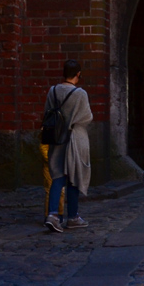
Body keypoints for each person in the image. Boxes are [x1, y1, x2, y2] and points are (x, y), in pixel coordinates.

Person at [44, 59, 94, 233]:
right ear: (78, 74)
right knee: (74, 177)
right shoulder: (80, 94)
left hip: (57, 137)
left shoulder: (53, 91)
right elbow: (87, 117)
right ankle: (73, 216)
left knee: (58, 176)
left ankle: (52, 215)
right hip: (75, 138)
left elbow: (47, 113)